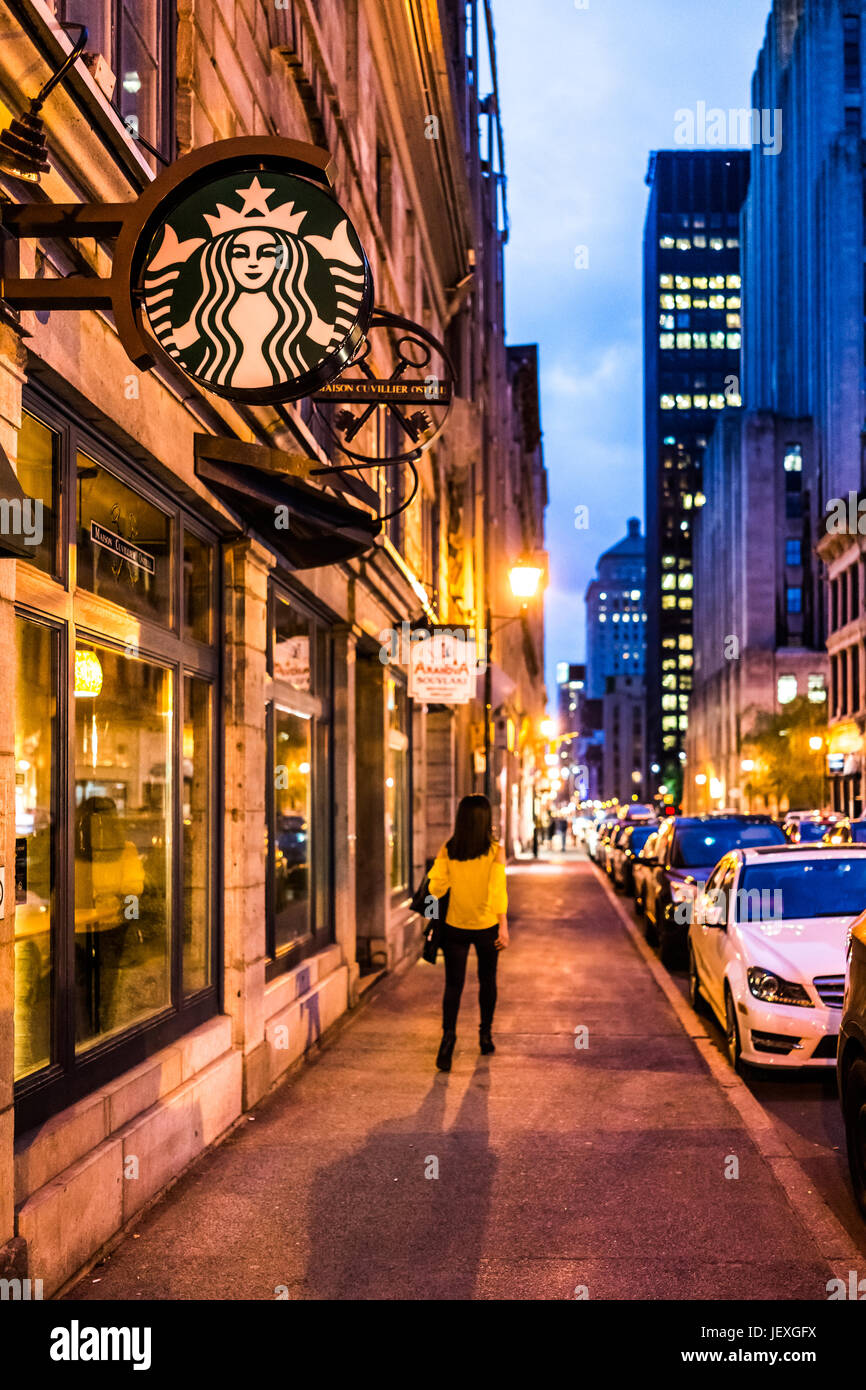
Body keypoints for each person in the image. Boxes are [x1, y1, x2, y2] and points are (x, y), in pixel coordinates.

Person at [427, 794, 509, 1072]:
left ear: (460, 819)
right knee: (488, 981)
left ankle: (448, 1039)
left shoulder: (449, 848)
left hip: (455, 926)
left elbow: (435, 887)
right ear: (486, 819)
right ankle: (485, 1036)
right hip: (487, 926)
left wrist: (432, 911)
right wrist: (504, 926)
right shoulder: (495, 850)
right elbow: (497, 891)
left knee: (453, 985)